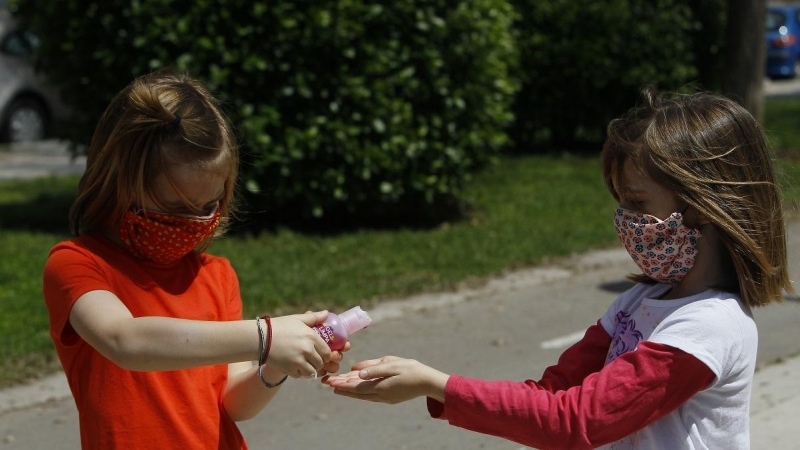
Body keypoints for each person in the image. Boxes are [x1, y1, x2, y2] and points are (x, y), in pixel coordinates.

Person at [325, 87, 794, 449]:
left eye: (636, 202)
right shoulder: (639, 302)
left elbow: (578, 421)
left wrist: (437, 384)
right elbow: (551, 394)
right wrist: (435, 389)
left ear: (704, 205)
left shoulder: (708, 328)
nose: (624, 220)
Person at [42, 71, 348, 450]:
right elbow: (125, 340)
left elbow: (233, 404)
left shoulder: (217, 275)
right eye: (176, 207)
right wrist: (267, 336)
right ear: (122, 181)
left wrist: (276, 364)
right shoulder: (77, 264)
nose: (197, 221)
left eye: (210, 206)